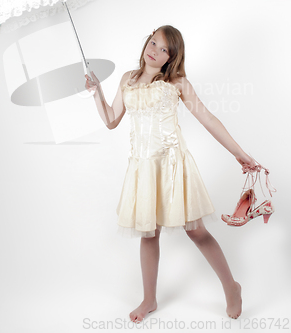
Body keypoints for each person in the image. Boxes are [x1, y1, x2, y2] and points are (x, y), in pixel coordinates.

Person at [85, 25, 256, 323]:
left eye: (164, 49)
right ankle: (149, 299)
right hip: (143, 168)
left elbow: (208, 118)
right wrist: (97, 92)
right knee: (148, 233)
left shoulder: (176, 83)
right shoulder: (129, 78)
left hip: (172, 165)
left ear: (172, 57)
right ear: (146, 42)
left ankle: (231, 287)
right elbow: (112, 120)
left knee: (196, 231)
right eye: (153, 43)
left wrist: (240, 154)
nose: (155, 51)